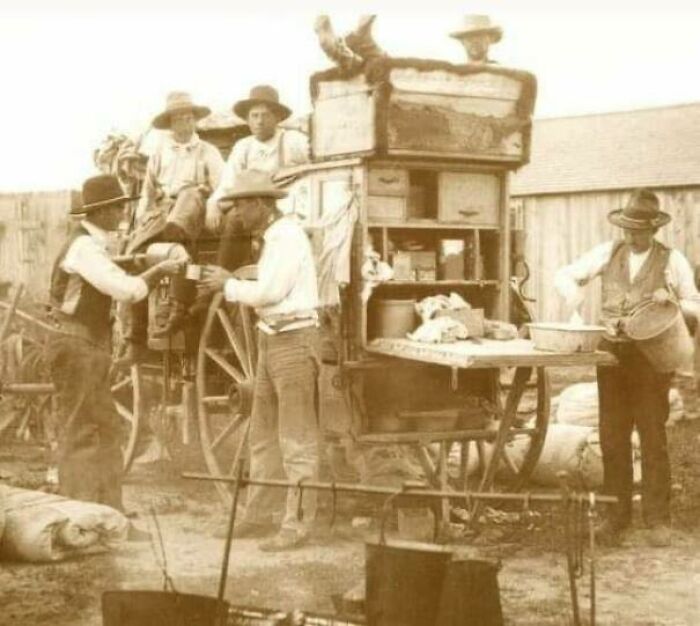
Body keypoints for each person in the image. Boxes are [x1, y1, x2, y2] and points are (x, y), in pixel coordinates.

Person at [555, 188, 700, 547]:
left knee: (652, 434)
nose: (632, 236)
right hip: (613, 355)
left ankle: (656, 519)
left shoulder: (672, 260)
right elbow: (566, 275)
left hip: (653, 357)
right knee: (612, 435)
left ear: (653, 230)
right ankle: (614, 516)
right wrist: (573, 300)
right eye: (628, 229)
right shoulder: (608, 253)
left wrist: (674, 302)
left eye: (639, 231)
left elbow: (696, 304)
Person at [47, 175, 182, 535]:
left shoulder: (94, 245)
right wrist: (158, 270)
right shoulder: (84, 249)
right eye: (119, 207)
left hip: (89, 347)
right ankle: (78, 518)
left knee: (107, 429)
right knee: (80, 431)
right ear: (102, 211)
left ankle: (110, 514)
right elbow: (126, 290)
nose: (124, 212)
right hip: (75, 347)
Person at [199, 170, 320, 552]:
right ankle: (256, 515)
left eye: (240, 206)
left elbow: (270, 291)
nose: (235, 214)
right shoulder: (272, 238)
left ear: (259, 204)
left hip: (295, 341)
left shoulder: (287, 237)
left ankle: (296, 525)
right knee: (262, 437)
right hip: (272, 339)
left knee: (296, 440)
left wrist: (227, 284)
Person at [122, 92, 224, 358]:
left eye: (189, 118)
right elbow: (148, 191)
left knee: (189, 197)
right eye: (178, 120)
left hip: (195, 210)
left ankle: (179, 304)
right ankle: (137, 335)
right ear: (170, 124)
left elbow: (223, 185)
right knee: (137, 259)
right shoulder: (159, 153)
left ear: (194, 121)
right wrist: (141, 218)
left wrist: (213, 203)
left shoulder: (208, 152)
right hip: (163, 211)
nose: (184, 124)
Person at [205, 85, 309, 271]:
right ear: (247, 119)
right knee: (235, 218)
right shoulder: (243, 147)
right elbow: (228, 183)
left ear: (277, 117)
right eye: (254, 116)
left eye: (266, 115)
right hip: (251, 207)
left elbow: (317, 166)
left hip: (283, 205)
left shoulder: (293, 140)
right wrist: (213, 204)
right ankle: (223, 279)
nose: (259, 121)